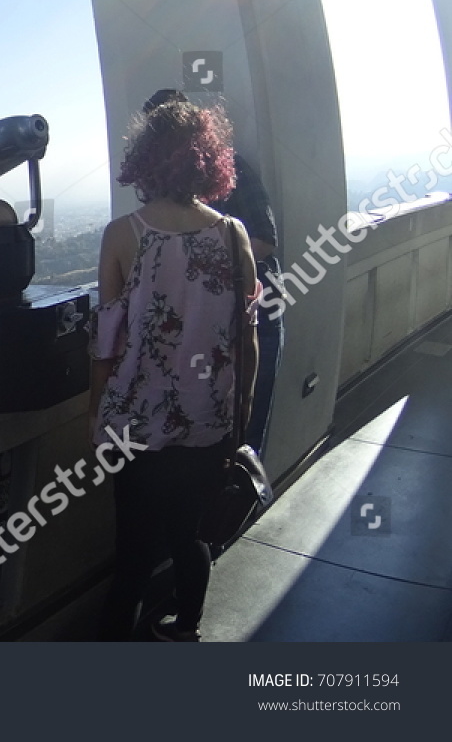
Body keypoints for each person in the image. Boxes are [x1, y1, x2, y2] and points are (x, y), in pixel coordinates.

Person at [89, 97, 260, 641]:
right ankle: (186, 629)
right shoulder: (235, 236)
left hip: (138, 421)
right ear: (207, 161)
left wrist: (96, 415)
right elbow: (246, 338)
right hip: (209, 419)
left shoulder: (123, 234)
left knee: (133, 551)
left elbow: (106, 342)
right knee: (191, 538)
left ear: (145, 159)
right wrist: (243, 413)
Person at [143, 90, 283, 456]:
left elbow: (266, 242)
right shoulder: (162, 195)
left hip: (254, 319)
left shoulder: (233, 171)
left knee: (245, 437)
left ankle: (242, 507)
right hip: (203, 329)